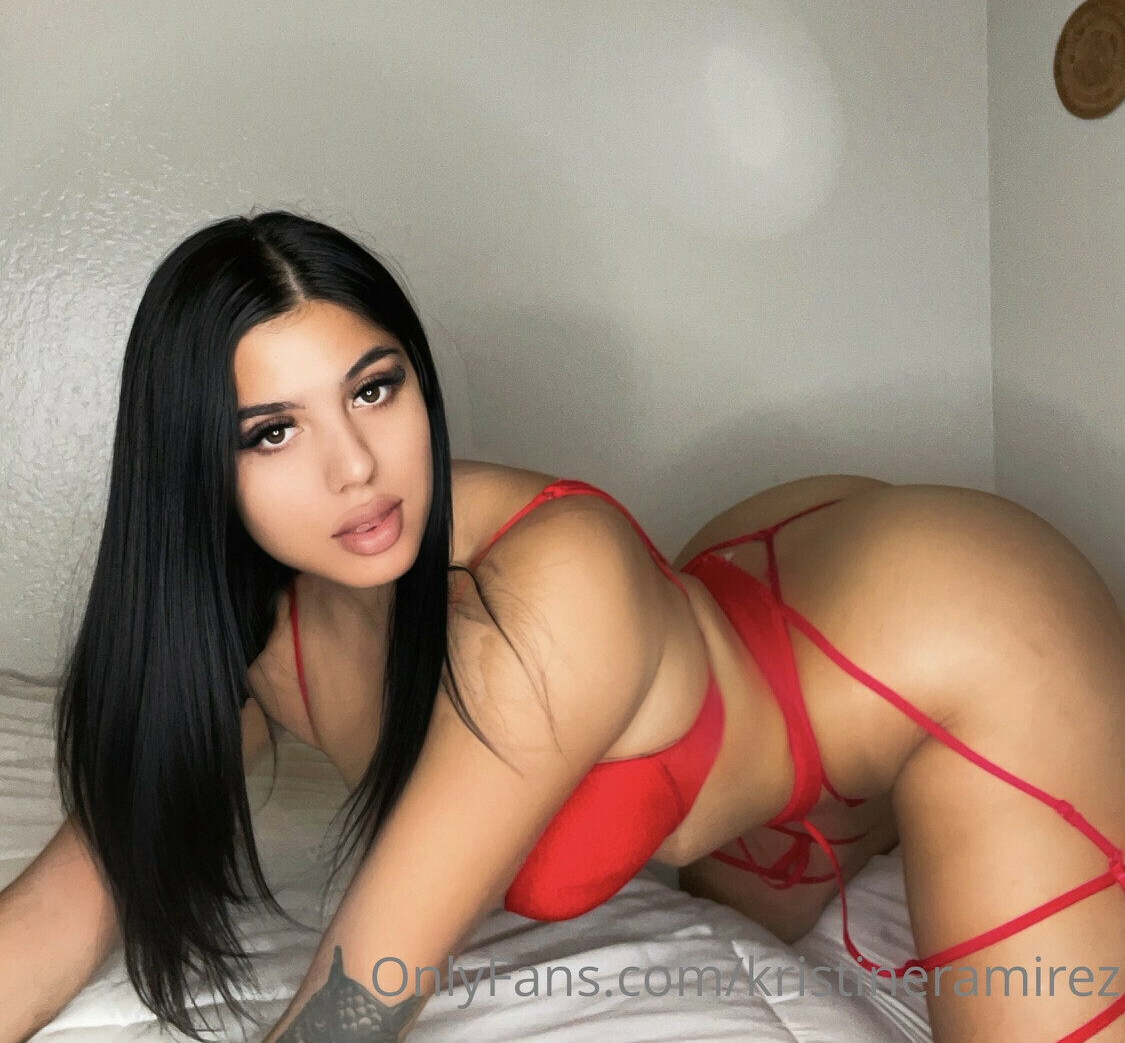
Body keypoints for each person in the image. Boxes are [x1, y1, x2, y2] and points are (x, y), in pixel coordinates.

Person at [0, 208, 1122, 1043]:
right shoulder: (252, 643)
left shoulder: (544, 588)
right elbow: (55, 916)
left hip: (949, 633)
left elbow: (358, 1001)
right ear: (195, 467)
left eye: (375, 389)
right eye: (273, 432)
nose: (355, 468)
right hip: (749, 637)